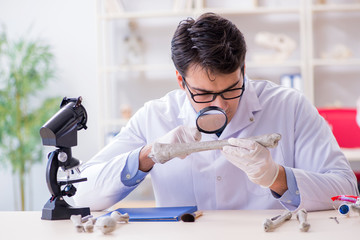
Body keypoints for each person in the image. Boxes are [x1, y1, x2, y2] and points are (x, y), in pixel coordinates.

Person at [74, 13, 358, 211]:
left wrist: (277, 176)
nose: (220, 105)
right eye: (204, 94)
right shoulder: (155, 116)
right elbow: (79, 194)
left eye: (232, 89)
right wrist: (146, 156)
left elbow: (347, 191)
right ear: (180, 81)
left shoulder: (289, 106)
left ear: (244, 71)